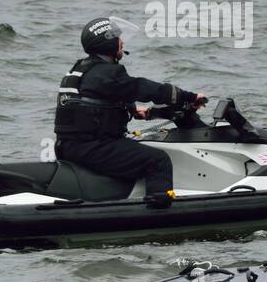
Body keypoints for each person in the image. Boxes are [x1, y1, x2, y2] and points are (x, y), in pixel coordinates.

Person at [54, 17, 206, 208]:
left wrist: (134, 110)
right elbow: (145, 88)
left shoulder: (82, 69)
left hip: (68, 146)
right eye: (118, 37)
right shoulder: (108, 73)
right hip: (92, 148)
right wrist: (188, 97)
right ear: (108, 42)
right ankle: (159, 212)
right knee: (158, 160)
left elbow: (99, 98)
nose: (122, 41)